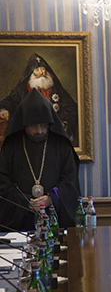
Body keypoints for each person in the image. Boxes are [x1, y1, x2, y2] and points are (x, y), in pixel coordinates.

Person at [0, 89, 80, 230]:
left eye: (43, 125)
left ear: (50, 123)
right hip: (19, 220)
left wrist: (51, 198)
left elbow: (70, 180)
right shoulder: (11, 146)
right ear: (25, 124)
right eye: (33, 126)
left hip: (54, 218)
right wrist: (24, 202)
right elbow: (3, 182)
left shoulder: (61, 145)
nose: (39, 131)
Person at [0, 53, 79, 145]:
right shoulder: (22, 88)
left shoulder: (55, 86)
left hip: (53, 129)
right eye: (37, 70)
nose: (41, 72)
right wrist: (4, 110)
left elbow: (70, 106)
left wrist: (64, 122)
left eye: (43, 69)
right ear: (32, 72)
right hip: (29, 132)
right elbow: (10, 101)